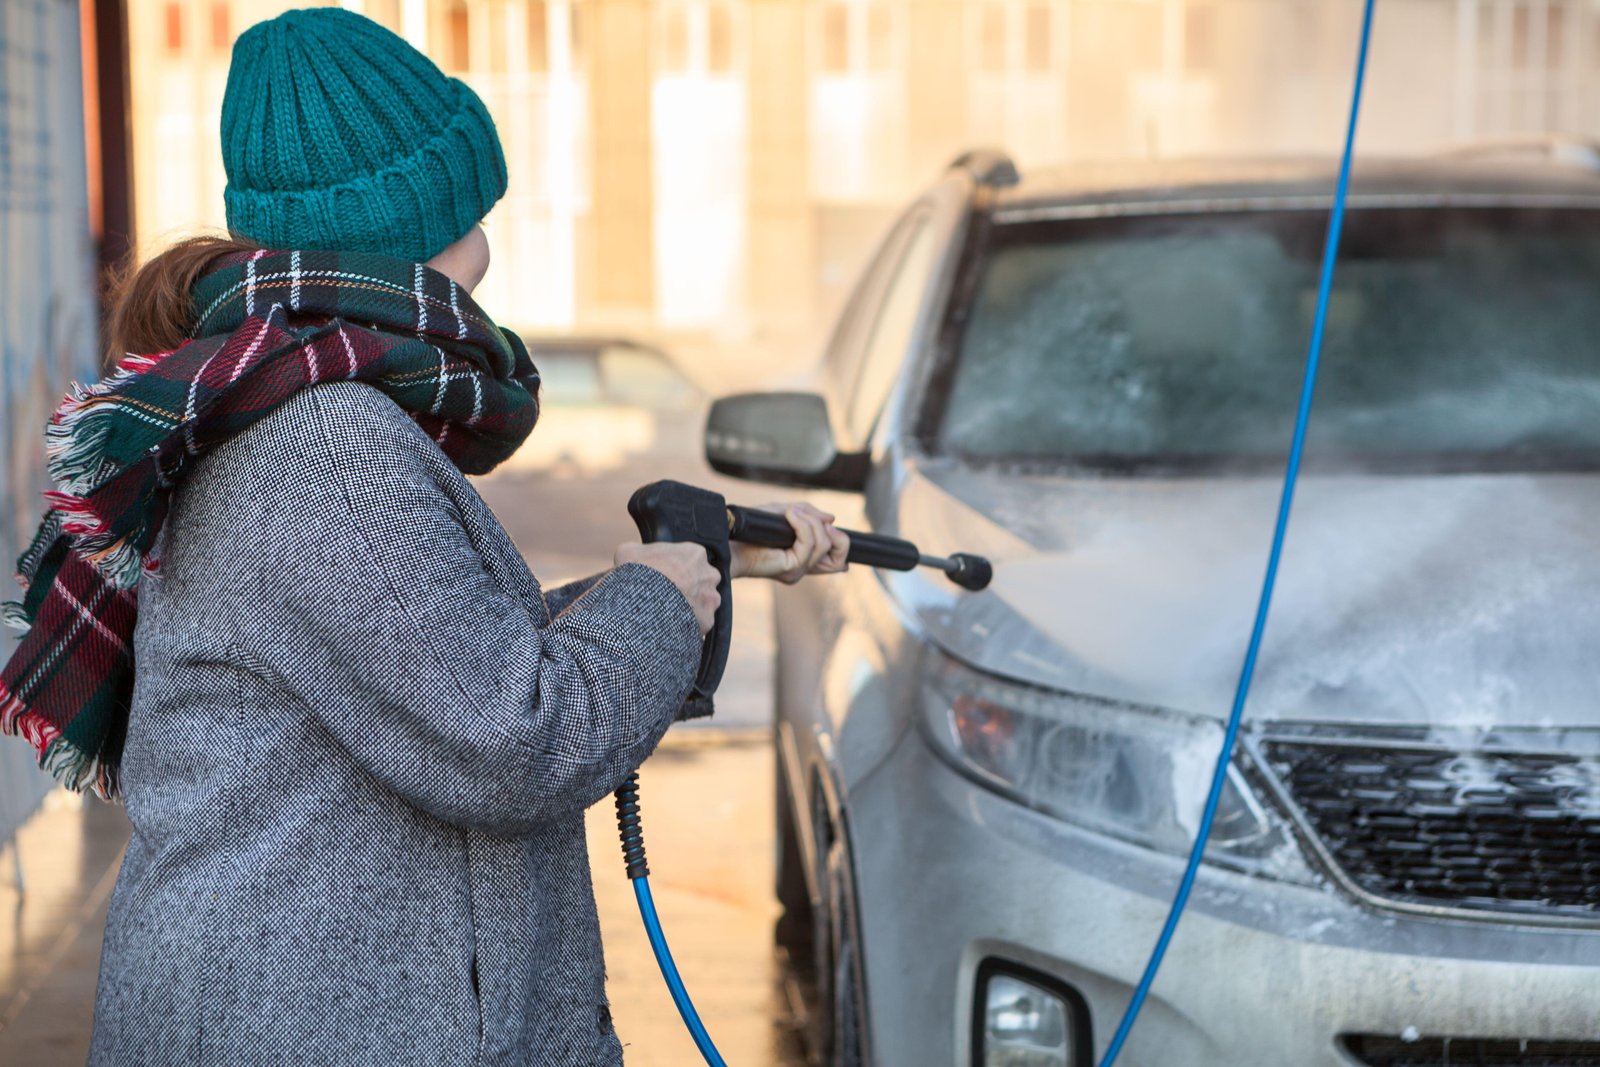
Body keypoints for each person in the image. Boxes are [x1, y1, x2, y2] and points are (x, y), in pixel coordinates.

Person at [0, 8, 846, 1065]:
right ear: (416, 219)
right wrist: (656, 602)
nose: (491, 238)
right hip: (317, 1026)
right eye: (473, 201)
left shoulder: (291, 396)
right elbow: (509, 737)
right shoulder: (327, 440)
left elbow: (423, 658)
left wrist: (705, 565)